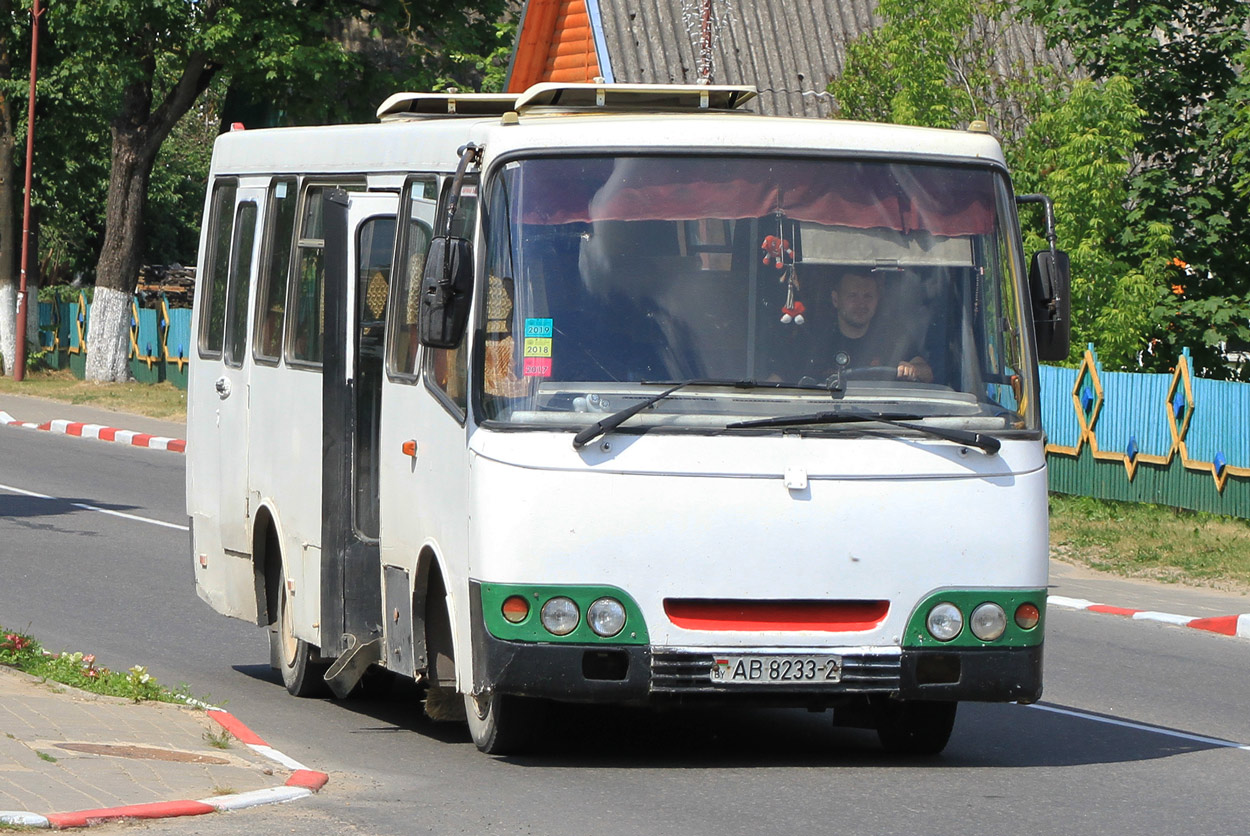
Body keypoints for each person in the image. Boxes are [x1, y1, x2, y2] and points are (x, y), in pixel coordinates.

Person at [799, 268, 933, 383]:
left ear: (877, 300)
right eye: (853, 296)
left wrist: (912, 369)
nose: (861, 304)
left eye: (868, 296)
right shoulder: (817, 341)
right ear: (836, 299)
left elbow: (927, 373)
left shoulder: (892, 337)